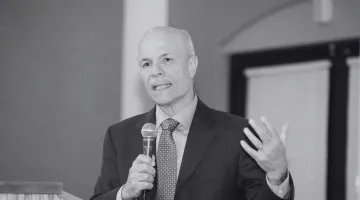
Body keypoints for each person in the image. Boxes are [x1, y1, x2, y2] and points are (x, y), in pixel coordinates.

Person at [90, 26, 295, 200]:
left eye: (167, 60)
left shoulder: (238, 134)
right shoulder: (119, 136)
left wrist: (277, 175)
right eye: (146, 64)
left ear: (192, 65)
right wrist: (125, 193)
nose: (155, 72)